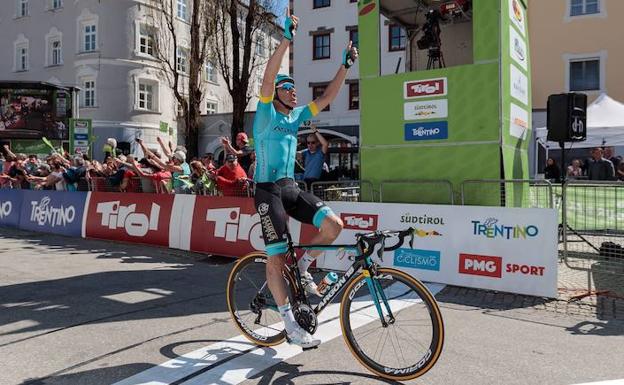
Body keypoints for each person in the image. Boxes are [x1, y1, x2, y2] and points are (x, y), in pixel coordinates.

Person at [250, 9, 358, 348]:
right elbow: (268, 79)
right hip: (267, 191)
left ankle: (306, 265)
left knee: (334, 225)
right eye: (288, 88)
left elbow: (326, 98)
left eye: (294, 89)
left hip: (290, 187)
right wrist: (286, 40)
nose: (293, 92)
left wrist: (345, 66)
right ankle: (290, 326)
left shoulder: (296, 117)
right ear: (277, 94)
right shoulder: (267, 110)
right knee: (276, 256)